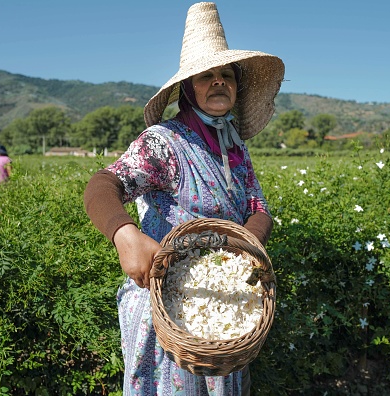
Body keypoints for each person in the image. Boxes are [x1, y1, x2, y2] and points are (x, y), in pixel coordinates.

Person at [83, 2, 284, 395]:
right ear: (188, 89)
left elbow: (258, 208)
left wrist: (246, 246)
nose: (218, 82)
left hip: (222, 302)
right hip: (168, 307)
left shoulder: (234, 148)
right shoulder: (164, 143)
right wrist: (125, 236)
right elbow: (102, 186)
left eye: (226, 74)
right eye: (206, 75)